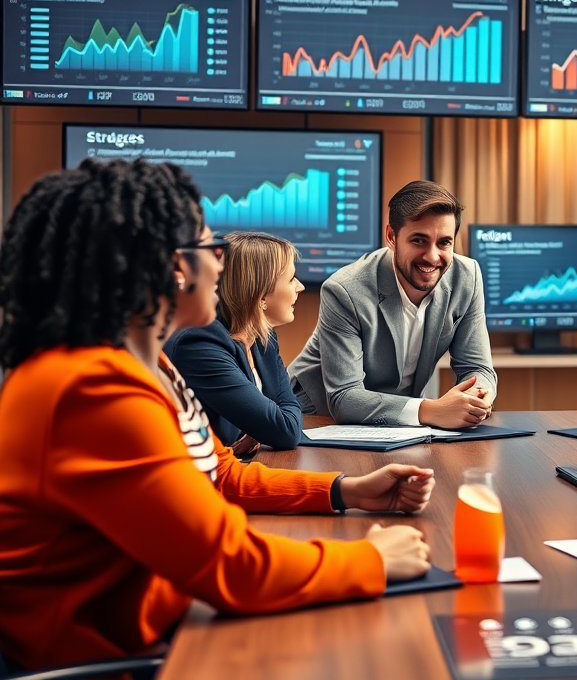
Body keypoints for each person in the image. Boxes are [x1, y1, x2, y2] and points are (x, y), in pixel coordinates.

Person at [0, 159, 435, 672]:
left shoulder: (149, 364)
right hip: (105, 660)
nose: (222, 265)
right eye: (211, 248)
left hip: (156, 626)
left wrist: (344, 491)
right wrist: (372, 560)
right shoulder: (92, 388)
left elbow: (218, 472)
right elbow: (227, 564)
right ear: (174, 266)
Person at [289, 180, 497, 428]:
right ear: (391, 236)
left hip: (397, 419)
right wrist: (433, 410)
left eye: (444, 242)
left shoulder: (467, 276)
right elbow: (344, 397)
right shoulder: (344, 290)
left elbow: (477, 368)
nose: (432, 256)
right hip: (317, 413)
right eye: (419, 240)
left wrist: (475, 398)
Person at [166, 231, 306, 455]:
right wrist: (266, 425)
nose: (300, 287)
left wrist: (264, 426)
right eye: (291, 279)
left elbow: (284, 414)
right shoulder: (199, 344)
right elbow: (286, 430)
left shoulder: (262, 336)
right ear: (260, 295)